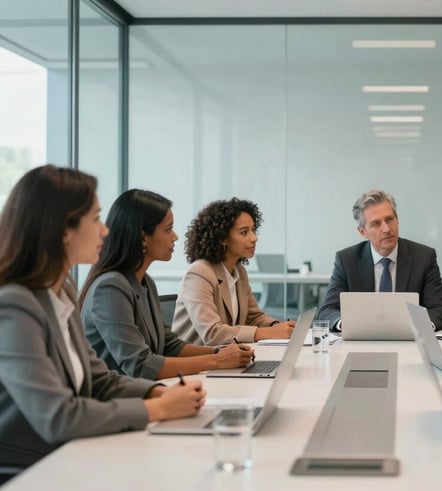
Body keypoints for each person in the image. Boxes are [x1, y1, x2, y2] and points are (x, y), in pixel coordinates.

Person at [0, 166, 204, 473]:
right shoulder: (14, 306)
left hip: (71, 453)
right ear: (62, 230)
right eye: (95, 219)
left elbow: (99, 380)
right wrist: (157, 408)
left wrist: (158, 392)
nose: (105, 229)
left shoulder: (58, 295)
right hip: (31, 469)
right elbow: (59, 417)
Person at [80, 190, 253, 380]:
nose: (175, 237)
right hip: (115, 401)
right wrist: (219, 361)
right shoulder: (110, 288)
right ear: (144, 237)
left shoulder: (145, 282)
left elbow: (169, 346)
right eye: (168, 229)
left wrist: (223, 353)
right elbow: (140, 365)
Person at [318, 189, 442, 331]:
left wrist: (421, 328)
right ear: (363, 232)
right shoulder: (347, 260)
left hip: (410, 343)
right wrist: (346, 324)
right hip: (362, 342)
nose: (387, 229)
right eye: (376, 224)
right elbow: (327, 310)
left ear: (397, 219)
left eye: (389, 219)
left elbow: (440, 310)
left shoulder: (423, 257)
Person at [173, 198, 294, 345]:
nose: (254, 238)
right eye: (244, 232)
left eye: (253, 230)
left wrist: (277, 327)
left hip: (227, 358)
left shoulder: (239, 271)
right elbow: (212, 334)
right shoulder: (199, 273)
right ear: (223, 238)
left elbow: (253, 317)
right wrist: (266, 333)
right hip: (197, 363)